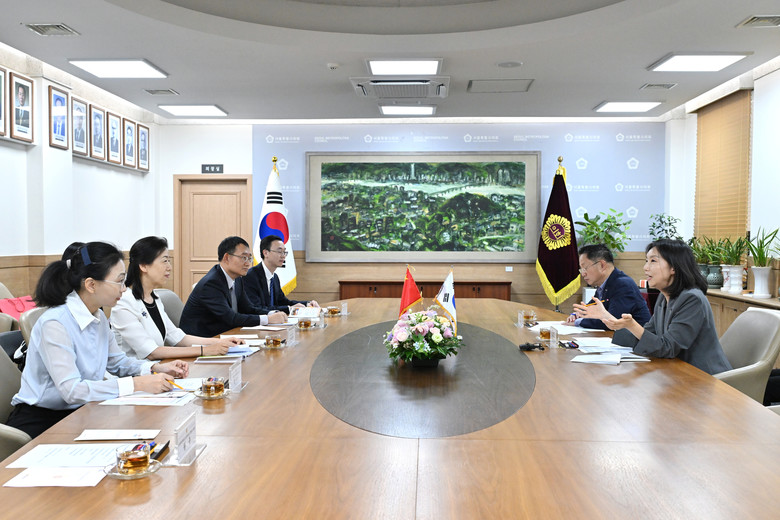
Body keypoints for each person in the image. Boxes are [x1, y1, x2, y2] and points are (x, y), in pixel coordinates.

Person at [6, 242, 188, 439]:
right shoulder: (55, 323)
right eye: (119, 281)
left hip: (82, 410)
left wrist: (154, 368)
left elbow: (117, 361)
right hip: (42, 420)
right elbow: (72, 390)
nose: (123, 289)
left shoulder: (98, 316)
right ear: (91, 285)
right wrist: (137, 384)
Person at [595, 239, 732, 375]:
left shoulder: (692, 299)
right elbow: (648, 335)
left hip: (705, 377)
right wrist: (610, 320)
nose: (646, 267)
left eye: (653, 261)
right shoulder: (664, 296)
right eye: (646, 261)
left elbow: (668, 347)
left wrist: (632, 325)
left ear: (674, 267)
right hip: (677, 372)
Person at [111, 236, 242, 360]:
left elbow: (178, 337)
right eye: (164, 261)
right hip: (138, 372)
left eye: (169, 261)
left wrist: (219, 342)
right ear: (143, 266)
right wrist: (204, 350)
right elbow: (151, 352)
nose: (169, 267)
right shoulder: (124, 302)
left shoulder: (154, 298)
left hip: (160, 368)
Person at [179, 236, 287, 337]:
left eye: (249, 258)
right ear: (226, 258)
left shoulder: (237, 279)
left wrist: (272, 313)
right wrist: (267, 319)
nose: (248, 263)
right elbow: (231, 318)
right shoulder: (211, 283)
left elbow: (248, 309)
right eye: (244, 257)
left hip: (225, 335)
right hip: (202, 340)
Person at [566, 244, 651, 330]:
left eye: (585, 268)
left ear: (602, 265)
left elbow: (612, 322)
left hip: (636, 337)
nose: (583, 274)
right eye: (581, 269)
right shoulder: (604, 284)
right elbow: (590, 309)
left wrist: (579, 321)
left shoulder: (622, 284)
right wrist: (577, 314)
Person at [244, 234, 319, 313]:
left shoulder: (275, 277)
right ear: (265, 253)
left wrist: (307, 304)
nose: (283, 256)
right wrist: (289, 309)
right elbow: (257, 308)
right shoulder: (250, 276)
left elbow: (283, 302)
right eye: (279, 251)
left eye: (284, 252)